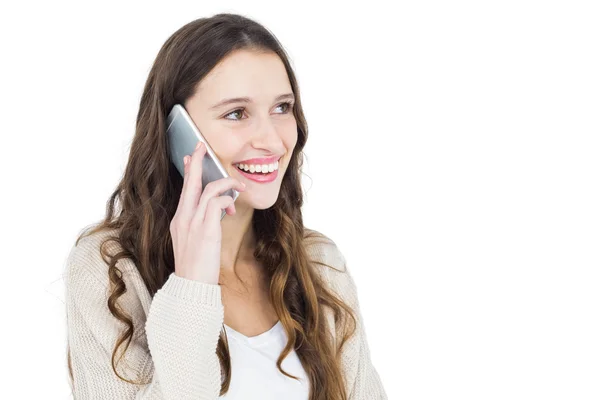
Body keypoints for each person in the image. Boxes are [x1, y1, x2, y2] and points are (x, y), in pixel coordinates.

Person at [64, 12, 387, 400]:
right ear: (175, 131)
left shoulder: (319, 262)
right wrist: (191, 286)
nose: (271, 140)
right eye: (237, 113)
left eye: (282, 108)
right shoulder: (109, 271)